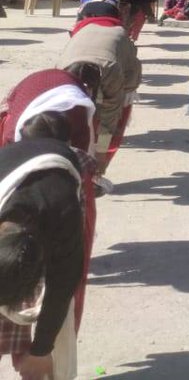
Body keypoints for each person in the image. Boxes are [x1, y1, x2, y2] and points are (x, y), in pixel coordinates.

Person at [0, 138, 85, 380]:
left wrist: (41, 351)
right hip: (11, 169)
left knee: (54, 335)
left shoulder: (64, 216)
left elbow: (62, 286)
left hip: (61, 164)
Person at [57, 19, 142, 188]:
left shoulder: (112, 70)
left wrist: (102, 153)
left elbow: (110, 115)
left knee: (118, 111)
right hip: (85, 39)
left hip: (120, 48)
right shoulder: (61, 73)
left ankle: (98, 172)